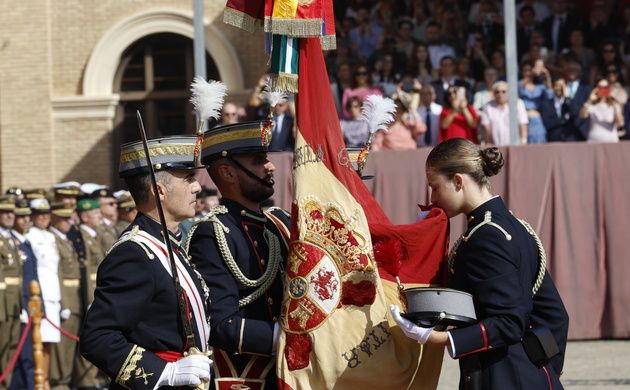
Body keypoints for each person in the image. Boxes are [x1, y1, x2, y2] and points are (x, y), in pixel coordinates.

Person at [392, 138, 569, 389]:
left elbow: (509, 322)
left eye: (435, 187)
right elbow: (555, 315)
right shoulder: (514, 227)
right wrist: (546, 372)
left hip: (502, 377)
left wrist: (437, 338)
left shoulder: (487, 236)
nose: (433, 197)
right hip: (528, 375)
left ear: (457, 181)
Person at [80, 135, 212, 390]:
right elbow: (97, 337)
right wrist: (164, 373)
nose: (197, 187)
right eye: (187, 178)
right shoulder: (134, 253)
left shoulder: (170, 242)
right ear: (159, 190)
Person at [186, 120, 290, 389]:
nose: (270, 166)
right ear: (227, 173)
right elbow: (220, 324)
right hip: (247, 377)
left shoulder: (277, 223)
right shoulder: (212, 233)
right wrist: (286, 336)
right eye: (258, 160)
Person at [9, 199, 39, 390]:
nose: (26, 219)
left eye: (28, 215)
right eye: (22, 216)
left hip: (31, 304)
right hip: (18, 305)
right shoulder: (12, 242)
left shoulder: (25, 240)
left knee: (28, 355)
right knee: (19, 355)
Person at [0, 195, 23, 389]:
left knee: (10, 349)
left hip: (14, 304)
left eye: (11, 212)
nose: (9, 216)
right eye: (5, 212)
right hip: (3, 306)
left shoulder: (9, 238)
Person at [480, 81, 529, 145]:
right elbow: (486, 128)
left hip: (516, 146)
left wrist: (523, 141)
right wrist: (488, 143)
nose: (500, 94)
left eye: (504, 91)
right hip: (496, 146)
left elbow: (522, 124)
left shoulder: (518, 103)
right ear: (493, 94)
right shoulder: (488, 106)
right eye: (497, 92)